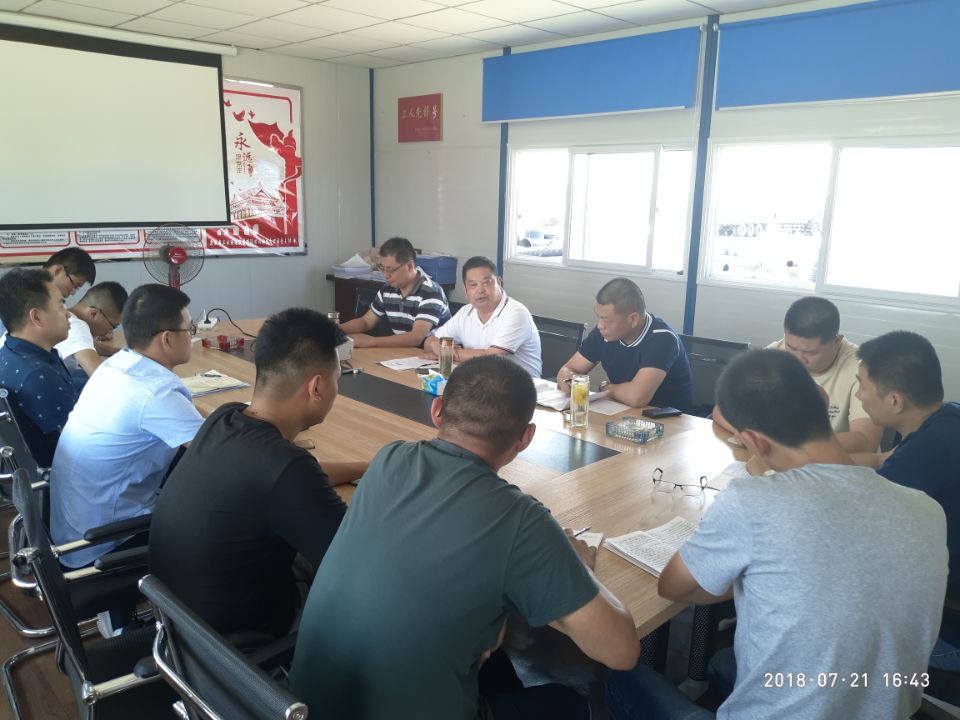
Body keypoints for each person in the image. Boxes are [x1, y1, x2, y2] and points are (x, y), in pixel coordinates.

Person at [290, 355, 639, 719]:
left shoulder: (390, 458)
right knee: (568, 703)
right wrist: (580, 566)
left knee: (498, 665)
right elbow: (622, 652)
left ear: (437, 410)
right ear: (526, 437)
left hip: (299, 707)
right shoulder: (521, 520)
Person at [605, 349, 948, 720]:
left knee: (617, 675)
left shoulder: (752, 502)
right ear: (823, 402)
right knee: (723, 663)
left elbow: (672, 587)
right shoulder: (928, 509)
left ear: (755, 442)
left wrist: (746, 578)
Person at [149, 308, 366, 638]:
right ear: (317, 387)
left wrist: (369, 467)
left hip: (179, 627)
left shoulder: (225, 418)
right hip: (239, 646)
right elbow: (356, 561)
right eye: (337, 380)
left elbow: (287, 478)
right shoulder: (287, 469)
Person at [49, 284, 204, 569]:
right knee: (232, 512)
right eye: (190, 329)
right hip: (104, 544)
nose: (192, 336)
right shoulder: (157, 392)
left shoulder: (116, 365)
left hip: (71, 531)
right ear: (167, 338)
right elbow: (219, 453)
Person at [853, 330, 960, 670]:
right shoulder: (948, 418)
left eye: (862, 386)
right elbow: (879, 460)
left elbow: (855, 525)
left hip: (950, 627)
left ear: (895, 401)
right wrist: (804, 462)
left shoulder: (927, 453)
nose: (858, 394)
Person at [556, 278, 692, 411]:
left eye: (606, 320)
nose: (600, 325)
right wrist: (568, 380)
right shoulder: (603, 333)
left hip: (668, 419)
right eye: (598, 317)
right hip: (623, 413)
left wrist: (607, 389)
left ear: (633, 319)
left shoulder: (662, 339)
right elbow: (568, 368)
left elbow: (637, 397)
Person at [766, 297, 881, 453]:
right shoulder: (771, 357)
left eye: (810, 352)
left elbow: (865, 441)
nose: (798, 359)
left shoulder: (863, 369)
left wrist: (791, 443)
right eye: (791, 348)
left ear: (837, 341)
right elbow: (733, 416)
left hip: (840, 462)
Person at [0, 268, 75, 466]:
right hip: (63, 476)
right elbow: (81, 448)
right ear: (37, 317)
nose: (68, 313)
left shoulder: (9, 351)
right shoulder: (39, 375)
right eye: (61, 305)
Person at [424, 256, 542, 378]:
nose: (480, 290)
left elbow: (492, 357)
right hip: (481, 381)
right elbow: (429, 342)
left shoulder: (516, 312)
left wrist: (447, 353)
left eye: (486, 282)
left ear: (499, 283)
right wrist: (435, 345)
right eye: (473, 285)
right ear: (465, 291)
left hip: (521, 385)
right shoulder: (465, 312)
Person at [339, 237, 450, 348]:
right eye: (382, 269)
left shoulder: (431, 292)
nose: (386, 275)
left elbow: (416, 337)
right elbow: (366, 322)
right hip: (403, 353)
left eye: (390, 270)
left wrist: (371, 341)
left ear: (410, 266)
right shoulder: (387, 289)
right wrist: (337, 329)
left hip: (432, 355)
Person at [0, 246, 96, 341]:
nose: (73, 292)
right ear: (58, 270)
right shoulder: (19, 294)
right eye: (74, 285)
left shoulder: (52, 302)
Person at [54, 281, 127, 390]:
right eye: (113, 325)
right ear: (94, 313)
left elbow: (86, 343)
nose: (110, 331)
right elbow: (100, 376)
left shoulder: (69, 319)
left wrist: (115, 351)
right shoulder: (77, 327)